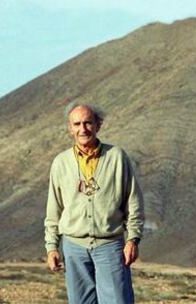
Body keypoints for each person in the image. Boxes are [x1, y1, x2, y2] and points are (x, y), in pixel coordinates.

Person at [44, 102, 145, 304]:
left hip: (110, 244)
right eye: (77, 124)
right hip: (73, 246)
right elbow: (54, 209)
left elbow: (133, 202)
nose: (83, 129)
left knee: (118, 300)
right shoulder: (61, 162)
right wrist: (52, 247)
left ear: (98, 125)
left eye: (88, 123)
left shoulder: (116, 157)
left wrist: (133, 239)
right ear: (70, 128)